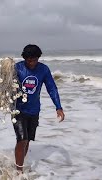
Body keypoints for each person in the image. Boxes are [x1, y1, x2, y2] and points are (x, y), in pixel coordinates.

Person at [13, 44, 65, 172]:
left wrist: (58, 107)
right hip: (18, 110)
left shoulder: (43, 70)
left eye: (34, 59)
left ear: (38, 58)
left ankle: (19, 164)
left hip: (34, 110)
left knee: (28, 140)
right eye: (29, 60)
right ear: (25, 58)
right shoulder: (17, 68)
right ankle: (19, 171)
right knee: (22, 139)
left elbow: (51, 88)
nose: (32, 62)